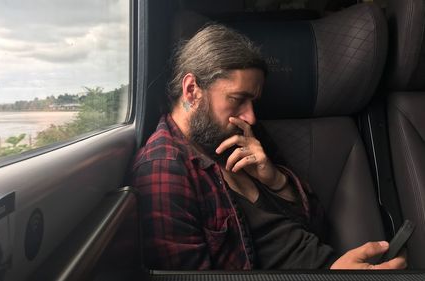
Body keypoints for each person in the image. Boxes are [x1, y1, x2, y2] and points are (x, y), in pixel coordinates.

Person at [130, 24, 406, 270]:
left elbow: (316, 225)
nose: (251, 116)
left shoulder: (240, 135)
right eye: (238, 99)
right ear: (191, 90)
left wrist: (275, 180)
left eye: (253, 102)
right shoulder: (165, 169)